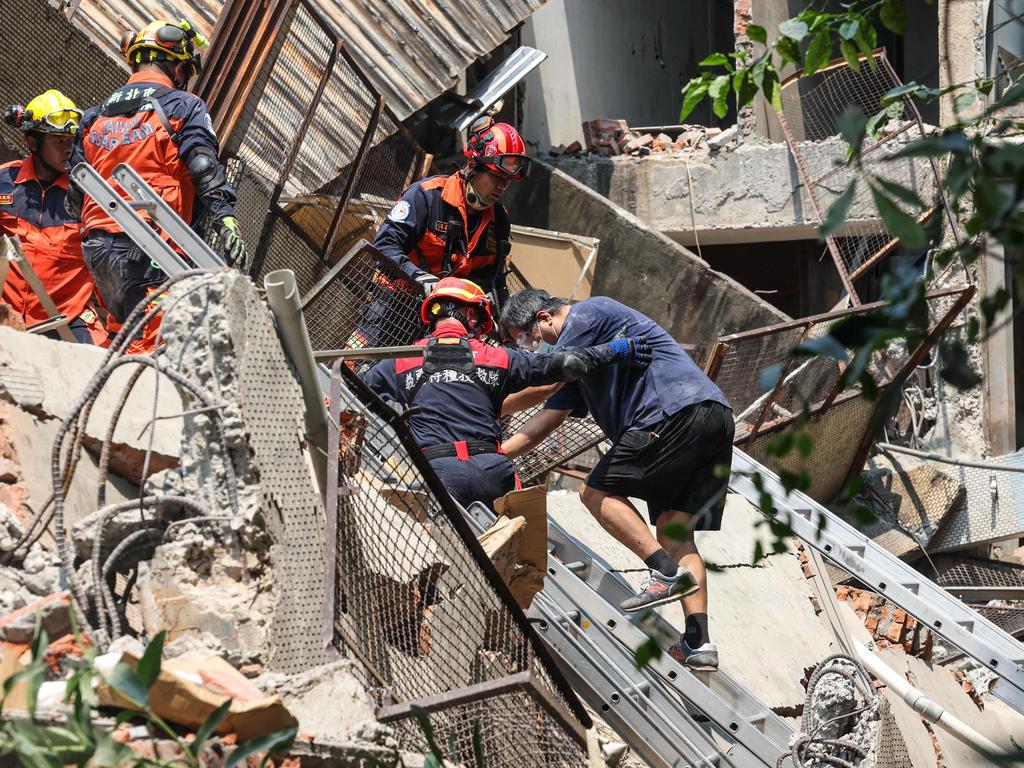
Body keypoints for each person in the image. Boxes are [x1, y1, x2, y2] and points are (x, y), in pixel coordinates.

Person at [499, 290, 734, 671]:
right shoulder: (579, 366)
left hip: (668, 412)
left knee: (594, 492)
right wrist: (496, 455)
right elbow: (546, 421)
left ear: (544, 317)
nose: (531, 346)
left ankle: (663, 571)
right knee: (675, 531)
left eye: (526, 337)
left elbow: (544, 384)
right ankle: (699, 642)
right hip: (712, 418)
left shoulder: (588, 314)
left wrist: (486, 399)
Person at [360, 277, 650, 509]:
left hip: (440, 475)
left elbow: (352, 393)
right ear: (471, 315)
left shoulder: (399, 360)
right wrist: (615, 349)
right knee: (519, 566)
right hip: (496, 472)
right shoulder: (495, 356)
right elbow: (567, 364)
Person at [67, 18, 245, 352]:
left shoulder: (94, 116)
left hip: (97, 246)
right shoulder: (183, 105)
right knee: (152, 344)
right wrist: (226, 219)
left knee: (123, 330)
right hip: (152, 244)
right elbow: (203, 165)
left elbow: (76, 189)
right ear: (176, 66)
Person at [347, 118, 528, 352]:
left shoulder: (499, 220)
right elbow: (384, 246)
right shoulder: (426, 196)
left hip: (451, 319)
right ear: (473, 166)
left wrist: (508, 328)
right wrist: (421, 279)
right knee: (356, 368)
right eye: (497, 177)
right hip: (395, 306)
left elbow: (493, 280)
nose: (503, 186)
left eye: (508, 181)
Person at [1, 90, 103, 343]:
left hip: (65, 319)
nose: (68, 149)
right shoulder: (4, 181)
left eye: (71, 141)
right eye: (58, 141)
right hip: (6, 311)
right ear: (33, 143)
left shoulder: (87, 193)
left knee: (103, 368)